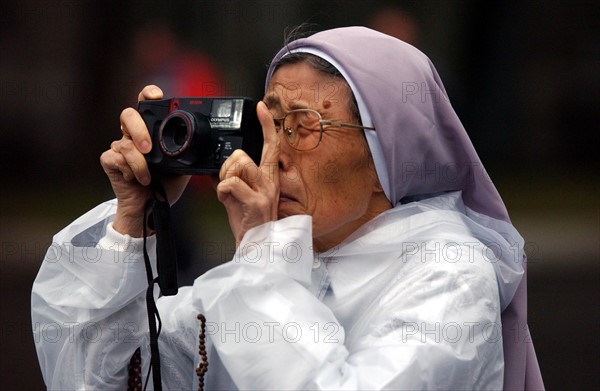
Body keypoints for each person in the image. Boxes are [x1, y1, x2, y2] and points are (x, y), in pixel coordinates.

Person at [32, 27, 544, 390]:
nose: (275, 154)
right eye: (271, 125)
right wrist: (131, 226)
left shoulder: (449, 273)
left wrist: (264, 263)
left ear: (392, 151)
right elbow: (100, 378)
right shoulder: (276, 263)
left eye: (304, 125)